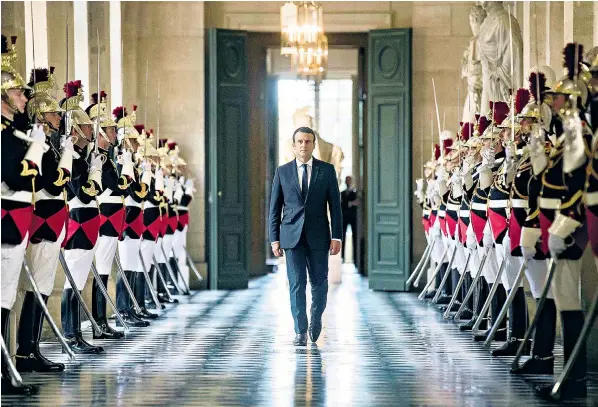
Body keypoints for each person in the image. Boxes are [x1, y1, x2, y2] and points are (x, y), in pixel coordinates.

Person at [268, 126, 342, 346]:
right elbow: (275, 208)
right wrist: (274, 239)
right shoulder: (282, 172)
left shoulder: (327, 171)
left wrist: (336, 236)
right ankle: (300, 329)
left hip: (319, 236)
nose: (303, 145)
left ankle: (316, 319)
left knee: (320, 283)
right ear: (293, 145)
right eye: (299, 142)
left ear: (313, 144)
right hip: (291, 237)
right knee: (296, 284)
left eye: (308, 141)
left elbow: (335, 207)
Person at [340, 176, 358, 262]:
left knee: (355, 237)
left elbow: (356, 203)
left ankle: (355, 257)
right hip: (344, 217)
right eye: (347, 181)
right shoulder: (342, 193)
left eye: (349, 181)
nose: (348, 182)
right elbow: (342, 205)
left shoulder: (355, 193)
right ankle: (342, 256)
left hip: (353, 217)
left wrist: (349, 203)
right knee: (343, 237)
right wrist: (350, 203)